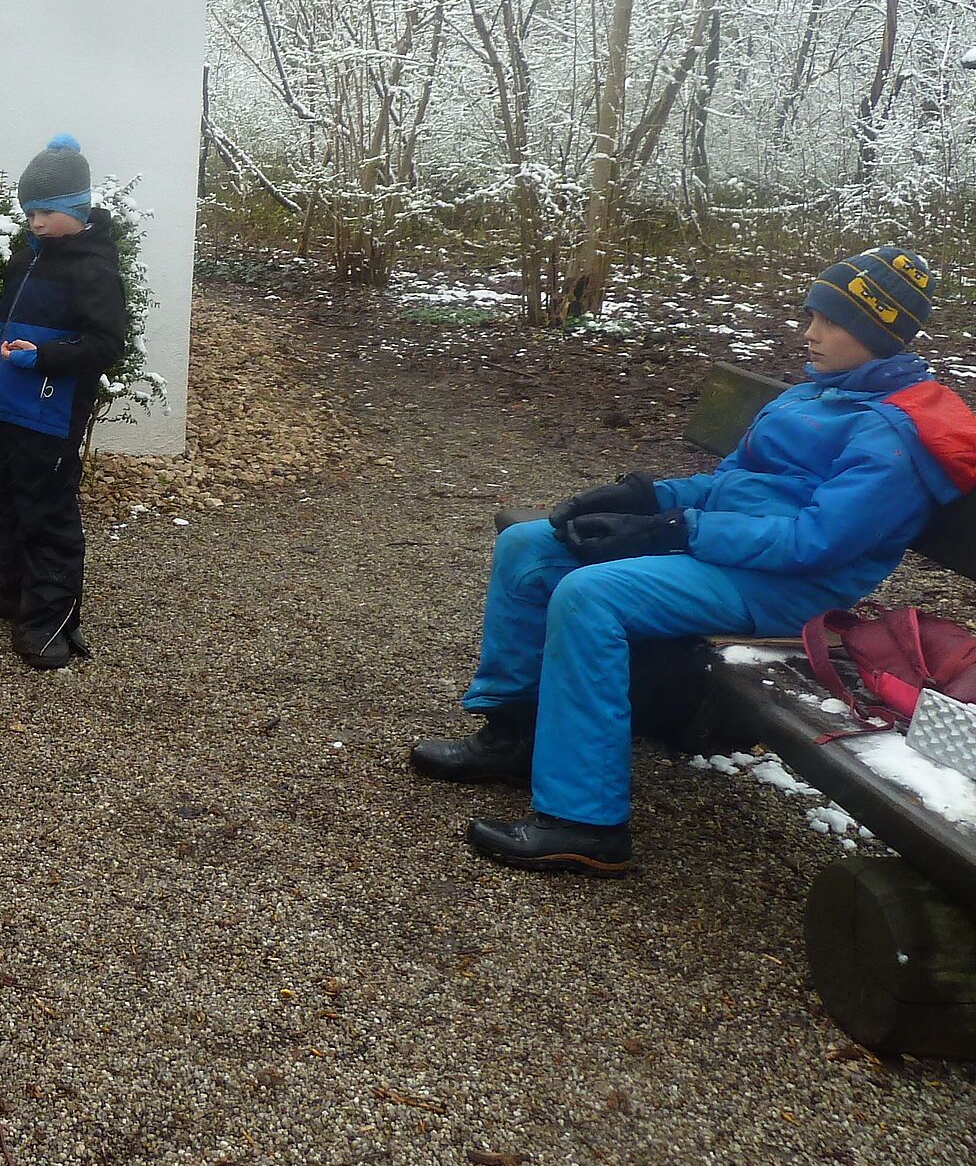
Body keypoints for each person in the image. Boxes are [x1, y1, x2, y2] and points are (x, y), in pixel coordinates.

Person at [412, 246, 976, 876]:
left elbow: (815, 544)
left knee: (592, 594)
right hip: (738, 556)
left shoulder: (894, 436)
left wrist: (677, 528)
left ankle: (586, 822)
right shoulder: (814, 398)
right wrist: (647, 495)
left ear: (879, 335)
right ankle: (518, 736)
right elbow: (733, 483)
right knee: (529, 545)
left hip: (794, 590)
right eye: (814, 314)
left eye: (833, 322)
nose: (810, 332)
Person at [0, 135, 130, 670]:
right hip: (9, 407)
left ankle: (50, 621)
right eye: (29, 210)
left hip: (52, 415)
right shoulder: (28, 258)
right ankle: (10, 591)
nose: (33, 221)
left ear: (76, 210)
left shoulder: (94, 268)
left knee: (47, 512)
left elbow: (106, 345)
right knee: (6, 499)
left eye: (45, 211)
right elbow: (6, 315)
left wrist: (45, 357)